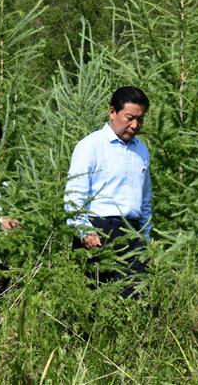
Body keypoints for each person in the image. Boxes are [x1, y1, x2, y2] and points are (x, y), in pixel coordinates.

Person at [64, 86, 152, 298]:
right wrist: (85, 231)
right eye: (130, 117)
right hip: (98, 231)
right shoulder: (91, 146)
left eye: (140, 119)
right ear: (112, 112)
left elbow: (145, 200)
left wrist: (146, 240)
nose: (135, 125)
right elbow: (74, 195)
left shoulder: (141, 151)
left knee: (135, 299)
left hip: (132, 232)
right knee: (92, 299)